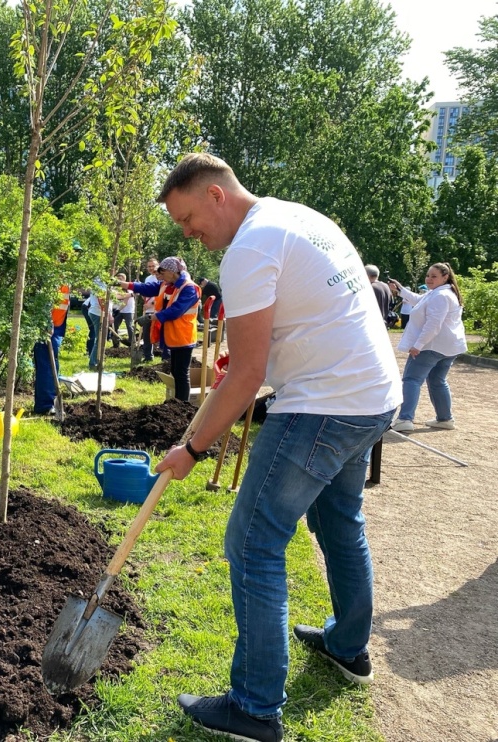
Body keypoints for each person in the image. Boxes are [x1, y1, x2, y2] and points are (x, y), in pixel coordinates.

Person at [152, 153, 401, 742]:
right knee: (340, 520)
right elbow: (283, 335)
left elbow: (246, 378)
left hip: (324, 405)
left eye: (188, 219)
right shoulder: (296, 218)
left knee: (254, 540)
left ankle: (255, 707)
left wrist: (191, 448)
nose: (188, 235)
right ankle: (348, 648)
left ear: (215, 195)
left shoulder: (249, 249)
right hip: (373, 397)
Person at [387, 265, 467, 432]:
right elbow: (419, 300)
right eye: (428, 275)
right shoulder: (441, 293)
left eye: (434, 276)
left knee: (411, 380)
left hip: (432, 346)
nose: (429, 279)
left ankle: (405, 418)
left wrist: (417, 345)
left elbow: (433, 325)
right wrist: (401, 289)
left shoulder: (440, 295)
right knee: (437, 380)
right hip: (447, 347)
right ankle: (445, 418)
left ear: (445, 277)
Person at [120, 256, 200, 400]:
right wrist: (123, 284)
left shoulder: (189, 288)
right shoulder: (167, 284)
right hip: (172, 335)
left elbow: (176, 310)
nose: (160, 276)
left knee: (182, 372)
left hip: (183, 336)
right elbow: (147, 288)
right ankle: (178, 401)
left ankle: (183, 405)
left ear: (172, 271)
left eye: (162, 272)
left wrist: (151, 318)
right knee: (175, 371)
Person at [33, 284, 69, 414]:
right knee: (47, 364)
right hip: (48, 327)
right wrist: (47, 323)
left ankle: (50, 401)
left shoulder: (64, 273)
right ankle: (45, 405)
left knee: (52, 362)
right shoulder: (54, 272)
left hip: (57, 326)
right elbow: (44, 299)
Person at [138, 257, 161, 361]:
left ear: (158, 265)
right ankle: (148, 357)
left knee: (162, 333)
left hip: (159, 310)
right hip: (148, 311)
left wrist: (151, 303)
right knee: (147, 334)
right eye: (149, 266)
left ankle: (166, 357)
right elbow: (146, 292)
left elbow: (161, 294)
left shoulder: (161, 277)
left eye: (153, 266)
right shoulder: (147, 279)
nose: (151, 268)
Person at [110, 273, 135, 349]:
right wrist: (114, 310)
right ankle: (116, 344)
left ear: (124, 279)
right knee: (114, 326)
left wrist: (117, 310)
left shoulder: (129, 289)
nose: (119, 279)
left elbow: (125, 302)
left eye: (121, 278)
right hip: (119, 310)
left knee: (129, 326)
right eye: (118, 278)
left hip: (128, 310)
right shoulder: (114, 289)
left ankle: (132, 342)